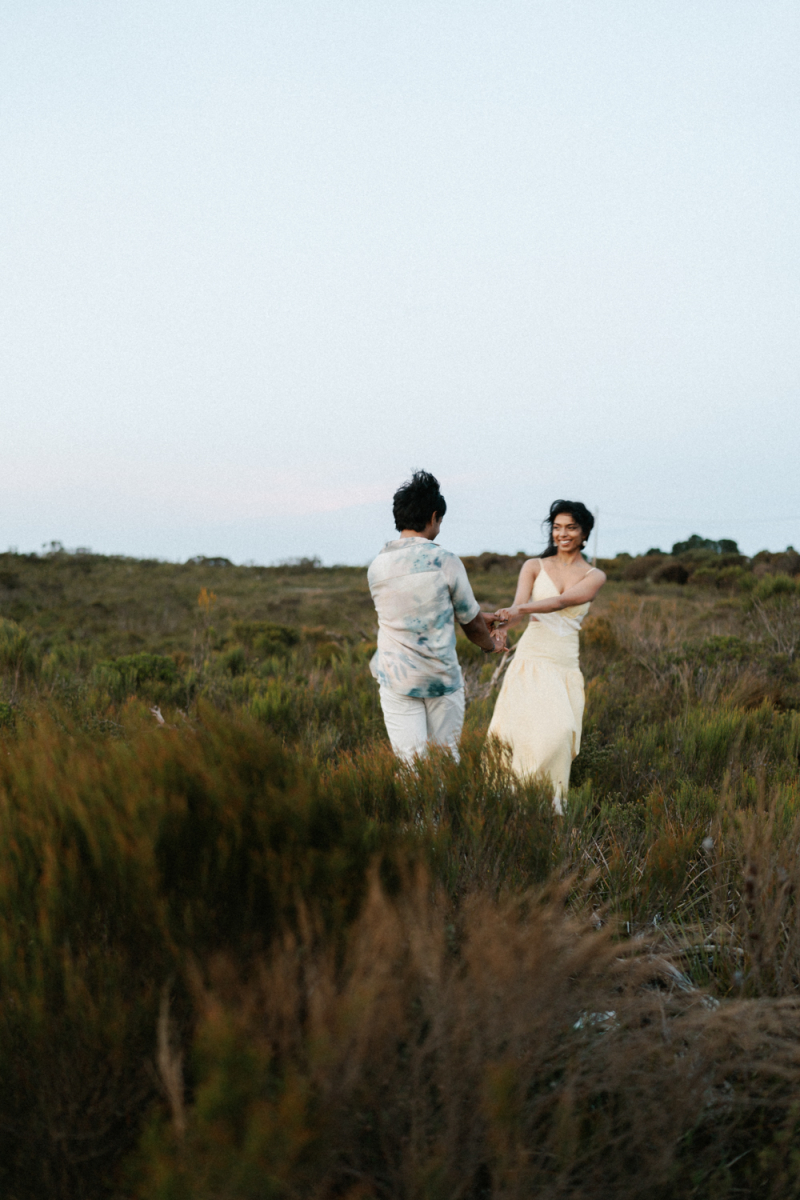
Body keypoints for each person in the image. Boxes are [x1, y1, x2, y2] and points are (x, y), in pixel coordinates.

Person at [368, 470, 504, 764]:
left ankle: (416, 811)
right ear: (433, 517)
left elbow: (416, 611)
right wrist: (490, 645)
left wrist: (480, 617)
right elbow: (470, 622)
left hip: (395, 677)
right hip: (440, 679)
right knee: (444, 763)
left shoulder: (377, 566)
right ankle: (441, 812)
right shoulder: (445, 561)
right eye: (439, 521)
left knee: (411, 766)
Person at [487, 501, 606, 812]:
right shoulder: (534, 566)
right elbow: (515, 610)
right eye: (556, 527)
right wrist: (502, 628)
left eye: (570, 527)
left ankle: (548, 807)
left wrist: (521, 610)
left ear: (584, 533)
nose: (562, 533)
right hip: (531, 657)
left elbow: (564, 601)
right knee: (519, 733)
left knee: (559, 733)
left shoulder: (595, 575)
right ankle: (510, 804)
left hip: (563, 662)